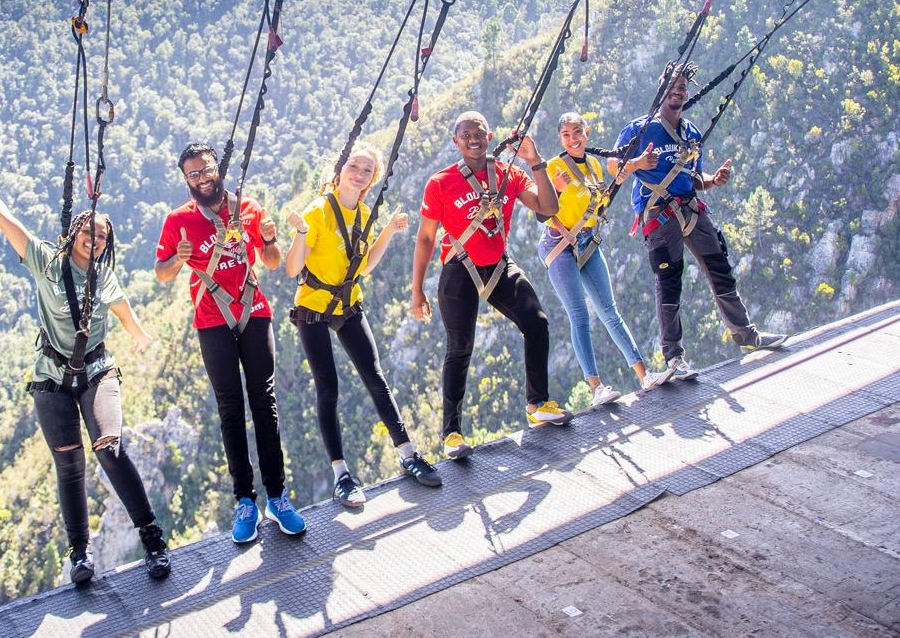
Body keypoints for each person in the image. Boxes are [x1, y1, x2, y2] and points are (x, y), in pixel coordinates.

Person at [0, 151, 171, 583]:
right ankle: (80, 555)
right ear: (73, 232)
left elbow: (121, 307)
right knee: (68, 463)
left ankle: (152, 540)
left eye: (100, 235)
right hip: (51, 377)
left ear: (107, 244)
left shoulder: (103, 275)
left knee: (110, 447)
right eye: (87, 231)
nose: (93, 239)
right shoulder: (47, 261)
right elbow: (4, 218)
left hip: (97, 369)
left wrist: (139, 333)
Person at [154, 142, 306, 543]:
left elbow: (271, 261)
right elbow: (162, 273)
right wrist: (177, 258)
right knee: (230, 410)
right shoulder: (178, 221)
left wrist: (270, 239)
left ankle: (277, 495)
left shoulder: (248, 209)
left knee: (264, 402)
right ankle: (245, 500)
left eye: (207, 171)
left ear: (217, 169)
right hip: (211, 317)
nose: (202, 179)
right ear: (185, 179)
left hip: (253, 310)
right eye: (194, 175)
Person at [283, 142, 442, 508]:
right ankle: (341, 474)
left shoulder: (364, 214)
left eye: (367, 170)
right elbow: (292, 270)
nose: (359, 174)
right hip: (312, 307)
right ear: (340, 169)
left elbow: (365, 266)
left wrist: (387, 230)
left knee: (375, 377)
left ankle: (407, 453)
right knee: (329, 388)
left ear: (373, 179)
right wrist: (302, 234)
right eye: (354, 166)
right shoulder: (319, 211)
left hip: (348, 302)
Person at [410, 111, 572, 462]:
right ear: (456, 141)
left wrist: (537, 163)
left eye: (479, 133)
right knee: (460, 346)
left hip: (499, 264)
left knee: (537, 322)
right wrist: (417, 289)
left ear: (490, 135)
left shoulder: (509, 172)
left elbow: (547, 208)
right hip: (459, 269)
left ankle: (537, 403)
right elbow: (425, 238)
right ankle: (451, 433)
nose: (473, 139)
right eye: (465, 134)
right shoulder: (441, 182)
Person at [612, 62, 787, 380]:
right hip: (659, 213)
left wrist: (713, 180)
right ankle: (674, 357)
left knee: (720, 269)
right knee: (670, 283)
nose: (679, 90)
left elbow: (693, 178)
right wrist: (638, 162)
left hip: (690, 207)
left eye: (683, 86)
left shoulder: (691, 133)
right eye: (673, 85)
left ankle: (747, 336)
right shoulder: (641, 128)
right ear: (662, 88)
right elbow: (614, 166)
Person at [538, 112, 669, 405]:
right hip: (559, 243)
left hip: (587, 240)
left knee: (610, 311)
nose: (573, 139)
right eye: (566, 135)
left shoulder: (595, 165)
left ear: (587, 132)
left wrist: (623, 174)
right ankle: (596, 387)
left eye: (577, 132)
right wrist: (556, 191)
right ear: (560, 138)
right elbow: (541, 213)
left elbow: (599, 204)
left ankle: (644, 375)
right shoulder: (554, 167)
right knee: (580, 315)